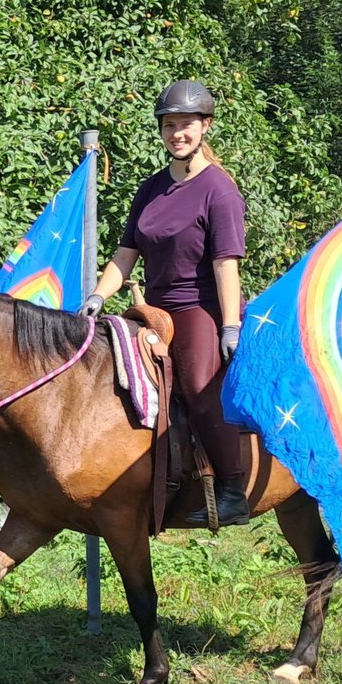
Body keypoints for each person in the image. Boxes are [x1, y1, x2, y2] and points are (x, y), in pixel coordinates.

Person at [78, 79, 249, 527]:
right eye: (169, 125)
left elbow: (225, 263)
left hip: (199, 307)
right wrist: (98, 296)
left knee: (196, 386)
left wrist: (228, 326)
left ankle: (232, 491)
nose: (178, 133)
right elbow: (125, 253)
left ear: (205, 126)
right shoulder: (150, 188)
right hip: (152, 309)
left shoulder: (220, 190)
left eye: (187, 125)